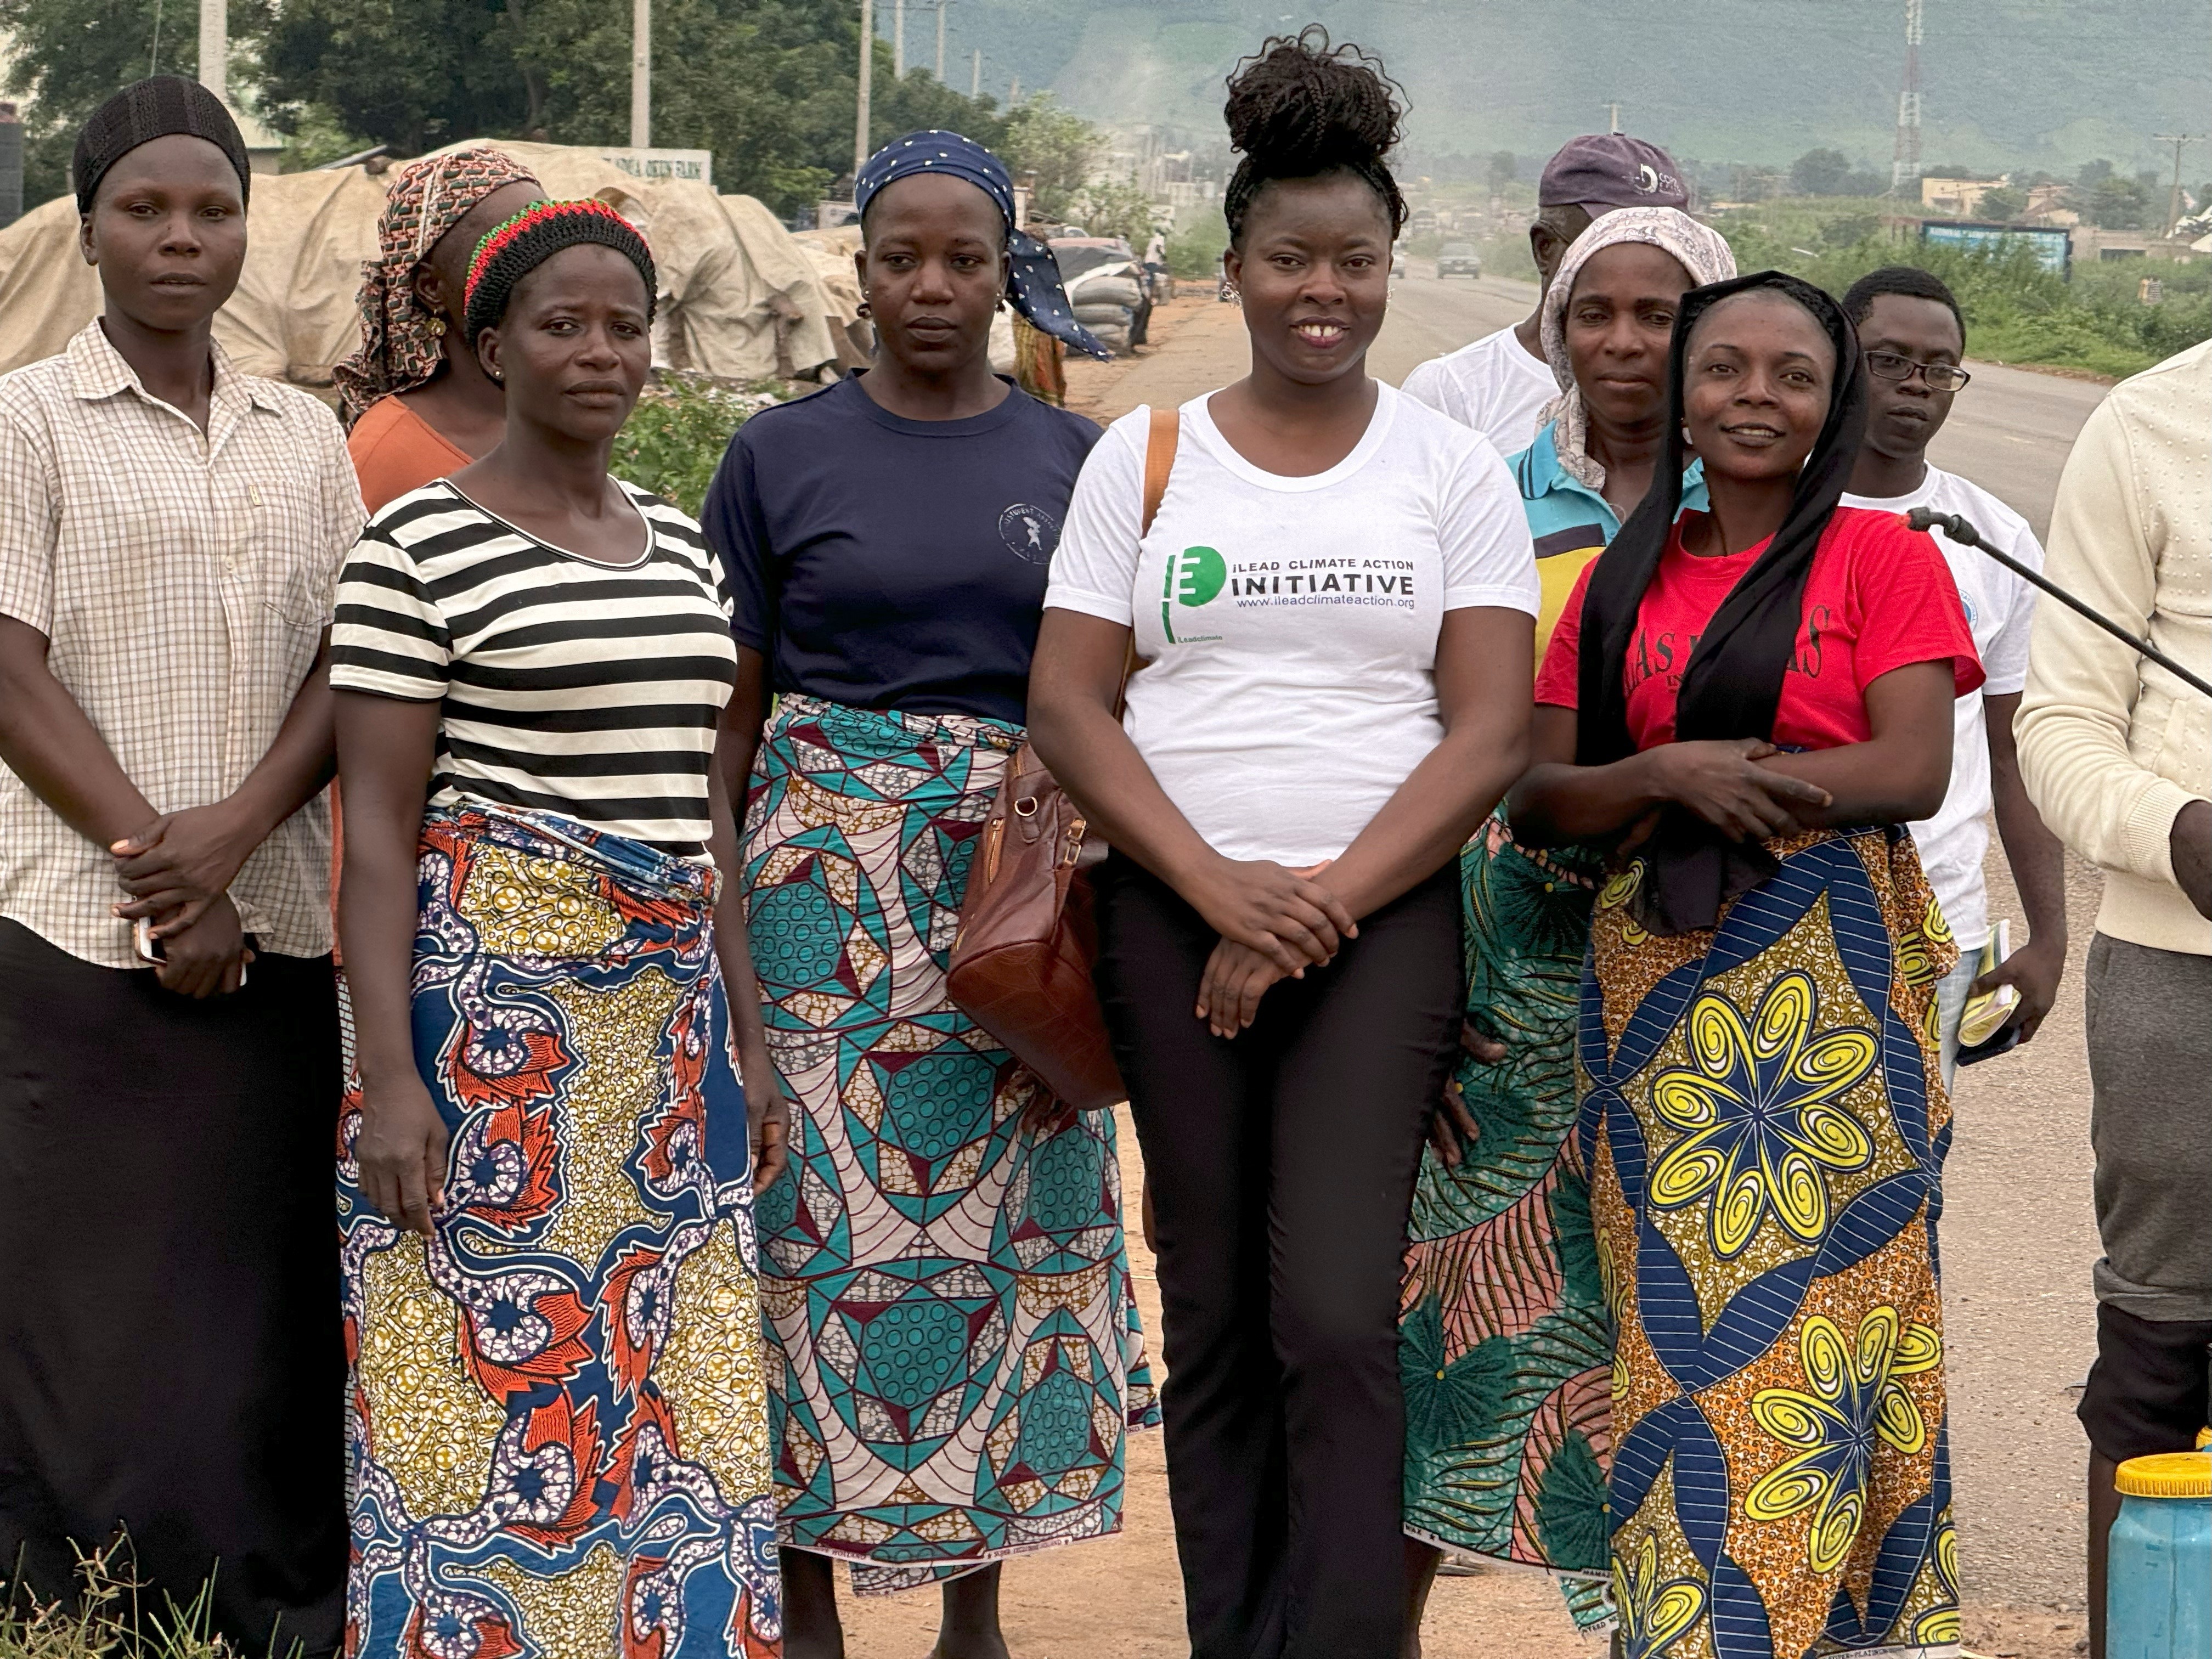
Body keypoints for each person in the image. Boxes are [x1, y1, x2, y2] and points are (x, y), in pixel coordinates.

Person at [1031, 32, 1540, 1656]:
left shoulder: (1449, 470)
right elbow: (1070, 702)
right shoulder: (1148, 455)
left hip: (1379, 930)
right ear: (1237, 265)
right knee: (1213, 1312)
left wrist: (1311, 909)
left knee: (1333, 1310)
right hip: (1172, 921)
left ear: (1393, 266)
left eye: (1357, 261)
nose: (1325, 291)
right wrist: (1216, 894)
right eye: (1291, 260)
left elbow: (1489, 731)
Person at [700, 131, 1153, 1659]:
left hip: (1019, 893)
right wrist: (726, 926)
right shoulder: (778, 456)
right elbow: (735, 725)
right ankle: (807, 1601)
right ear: (864, 272)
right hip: (817, 899)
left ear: (1006, 271)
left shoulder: (1077, 459)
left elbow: (1117, 694)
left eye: (966, 259)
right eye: (903, 257)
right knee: (810, 1233)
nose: (934, 285)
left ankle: (978, 1614)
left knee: (1011, 1231)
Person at [329, 200, 784, 1659]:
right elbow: (380, 833)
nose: (601, 352)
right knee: (488, 1390)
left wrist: (749, 1038)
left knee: (668, 1385)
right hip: (494, 1047)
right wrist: (390, 1080)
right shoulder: (415, 548)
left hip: (668, 1048)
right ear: (492, 348)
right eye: (562, 324)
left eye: (625, 326)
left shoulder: (683, 548)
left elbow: (704, 812)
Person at [1510, 272, 1980, 1658]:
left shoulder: (1882, 560)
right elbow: (1541, 793)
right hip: (1658, 1003)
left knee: (1832, 1328)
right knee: (1681, 1340)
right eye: (1723, 369)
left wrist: (1729, 785)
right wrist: (1666, 773)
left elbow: (1913, 765)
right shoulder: (1620, 578)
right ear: (1679, 395)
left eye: (1793, 375)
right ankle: (1698, 1630)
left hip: (1838, 996)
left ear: (1834, 404)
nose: (1754, 398)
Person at [0, 78, 361, 1654]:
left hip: (273, 928)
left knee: (256, 1301)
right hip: (76, 930)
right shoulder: (23, 420)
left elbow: (351, 665)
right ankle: (81, 1609)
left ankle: (269, 1614)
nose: (181, 238)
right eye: (144, 209)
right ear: (88, 229)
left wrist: (235, 842)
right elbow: (8, 669)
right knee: (86, 1308)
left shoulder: (305, 435)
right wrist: (163, 867)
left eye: (212, 210)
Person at [1398, 205, 1736, 1647]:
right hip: (1508, 954)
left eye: (1658, 314)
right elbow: (1424, 740)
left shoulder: (1760, 509)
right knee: (1457, 1309)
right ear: (1554, 326)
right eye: (1595, 311)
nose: (1623, 341)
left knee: (1683, 1325)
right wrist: (1421, 984)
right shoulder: (1483, 494)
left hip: (1699, 956)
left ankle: (1664, 1624)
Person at [2013, 339, 2209, 1659]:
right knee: (2163, 1344)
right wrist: (2176, 829)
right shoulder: (2149, 428)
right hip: (2185, 968)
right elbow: (2061, 725)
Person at [1837, 266, 2068, 1084]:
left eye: (1941, 369)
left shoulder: (1992, 537)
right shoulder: (1766, 511)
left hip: (1935, 921)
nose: (1917, 384)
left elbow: (2013, 750)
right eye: (1889, 360)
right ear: (1837, 359)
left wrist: (2049, 935)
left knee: (1909, 1154)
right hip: (1767, 904)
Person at [1401, 134, 1690, 455]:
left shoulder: (1705, 393)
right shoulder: (1452, 393)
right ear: (1544, 248)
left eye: (1666, 244)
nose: (1639, 260)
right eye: (1605, 240)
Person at [333, 146, 543, 512]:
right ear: (431, 288)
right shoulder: (387, 456)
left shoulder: (552, 420)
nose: (542, 269)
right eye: (507, 254)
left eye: (547, 243)